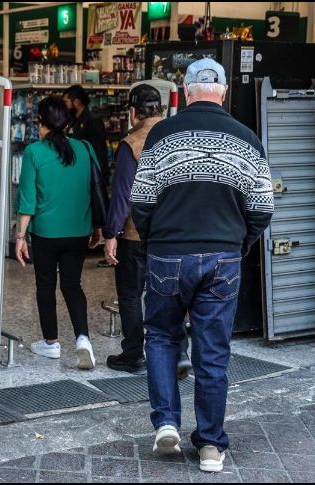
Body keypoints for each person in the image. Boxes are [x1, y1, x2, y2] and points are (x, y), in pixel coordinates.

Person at [130, 59, 273, 472]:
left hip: (167, 255)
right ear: (223, 92)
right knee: (213, 351)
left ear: (187, 93)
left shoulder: (162, 133)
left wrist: (156, 239)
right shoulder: (247, 139)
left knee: (160, 336)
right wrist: (237, 243)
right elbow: (263, 208)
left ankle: (166, 424)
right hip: (223, 257)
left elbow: (141, 201)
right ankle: (211, 445)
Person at [103, 84, 191, 377]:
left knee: (130, 294)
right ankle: (179, 352)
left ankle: (133, 355)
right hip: (173, 233)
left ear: (133, 112)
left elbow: (123, 194)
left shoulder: (132, 143)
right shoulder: (179, 136)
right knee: (170, 293)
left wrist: (111, 233)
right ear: (161, 108)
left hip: (135, 234)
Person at [14, 96, 102, 370]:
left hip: (46, 234)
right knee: (72, 285)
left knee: (46, 285)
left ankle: (51, 343)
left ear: (41, 122)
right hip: (78, 231)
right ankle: (83, 339)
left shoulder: (34, 152)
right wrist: (98, 227)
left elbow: (27, 199)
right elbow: (95, 190)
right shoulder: (84, 148)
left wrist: (20, 237)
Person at [63, 85, 110, 186]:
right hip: (76, 174)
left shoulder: (93, 121)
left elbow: (99, 153)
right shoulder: (72, 121)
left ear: (76, 102)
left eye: (66, 102)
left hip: (90, 178)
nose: (65, 106)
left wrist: (101, 181)